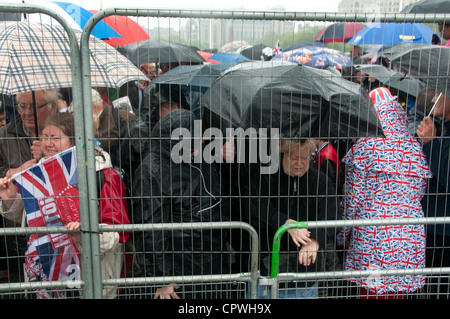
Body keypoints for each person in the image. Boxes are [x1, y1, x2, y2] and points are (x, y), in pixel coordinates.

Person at [0, 112, 131, 298]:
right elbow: (27, 216)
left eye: (55, 137)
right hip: (49, 273)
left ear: (75, 139)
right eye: (44, 137)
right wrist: (9, 199)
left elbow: (118, 231)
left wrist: (83, 235)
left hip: (92, 273)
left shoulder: (102, 174)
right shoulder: (39, 172)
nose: (47, 143)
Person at [337, 87, 432, 299]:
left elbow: (352, 199)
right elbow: (419, 193)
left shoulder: (365, 146)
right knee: (398, 294)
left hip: (374, 236)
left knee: (372, 293)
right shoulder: (415, 148)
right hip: (410, 235)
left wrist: (341, 236)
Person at [132, 109, 231, 299]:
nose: (202, 141)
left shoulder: (198, 156)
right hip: (180, 269)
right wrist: (162, 279)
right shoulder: (151, 172)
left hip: (214, 258)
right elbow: (153, 231)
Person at [241, 139, 340, 298]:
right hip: (266, 264)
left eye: (304, 158)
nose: (299, 163)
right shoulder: (266, 175)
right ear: (282, 156)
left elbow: (333, 215)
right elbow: (254, 207)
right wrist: (285, 223)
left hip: (304, 270)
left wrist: (315, 239)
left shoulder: (320, 180)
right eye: (294, 158)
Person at [416, 89, 450, 297]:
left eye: (440, 92)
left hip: (444, 232)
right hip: (431, 226)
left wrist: (431, 143)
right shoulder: (442, 126)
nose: (433, 98)